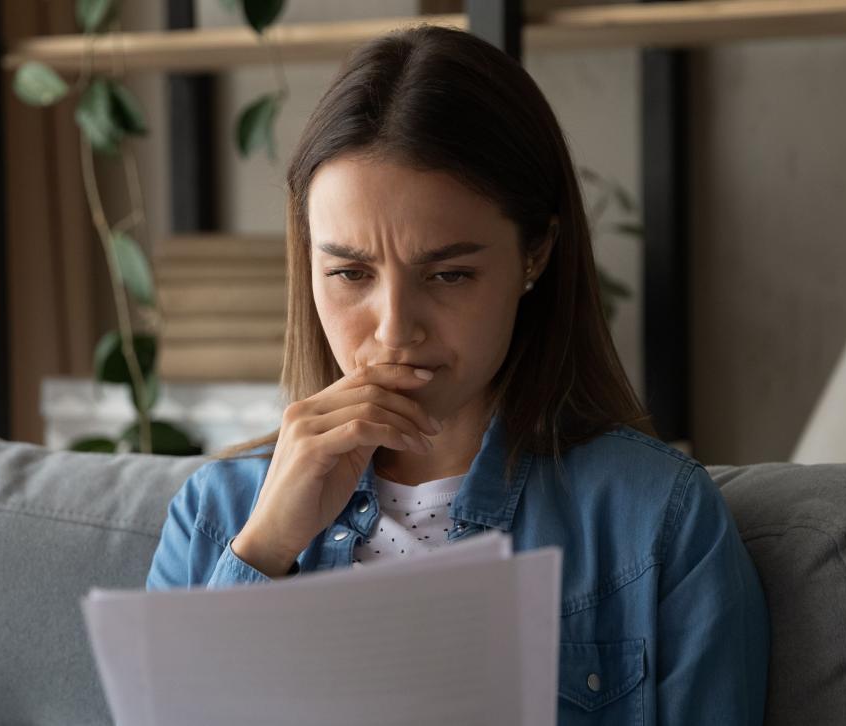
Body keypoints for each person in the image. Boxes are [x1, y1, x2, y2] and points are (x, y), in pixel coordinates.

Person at [146, 24, 768, 724]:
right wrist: (264, 553)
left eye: (449, 274)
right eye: (349, 273)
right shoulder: (218, 520)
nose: (393, 328)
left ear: (535, 254)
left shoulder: (657, 521)